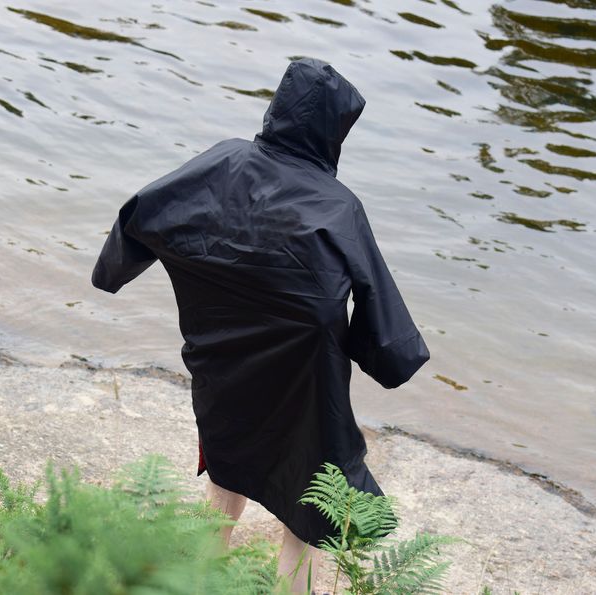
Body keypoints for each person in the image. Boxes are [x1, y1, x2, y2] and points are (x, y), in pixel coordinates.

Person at [91, 58, 429, 592]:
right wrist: (391, 359)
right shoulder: (337, 206)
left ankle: (200, 579)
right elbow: (386, 326)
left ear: (279, 108)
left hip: (221, 364)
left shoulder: (219, 162)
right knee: (314, 506)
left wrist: (113, 271)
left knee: (228, 469)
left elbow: (142, 212)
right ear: (335, 130)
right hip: (305, 387)